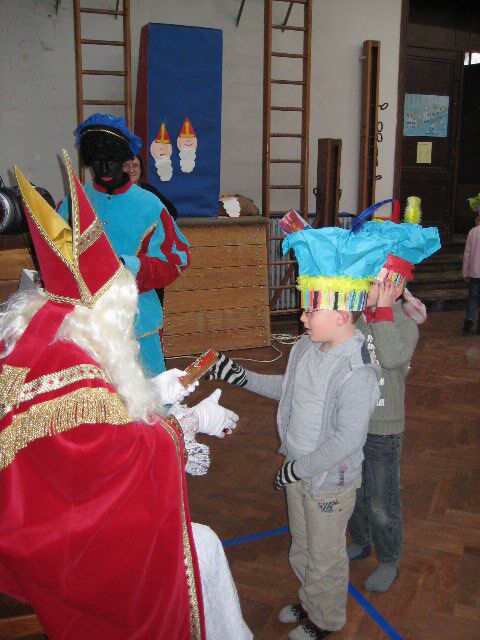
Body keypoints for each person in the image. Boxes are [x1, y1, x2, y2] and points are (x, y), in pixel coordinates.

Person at [0, 154, 252, 640]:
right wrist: (189, 423)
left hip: (39, 516)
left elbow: (92, 439)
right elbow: (126, 460)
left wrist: (155, 390)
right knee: (203, 549)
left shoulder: (46, 337)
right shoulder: (72, 372)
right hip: (60, 549)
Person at [208, 225, 389, 640]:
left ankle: (326, 619)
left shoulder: (358, 371)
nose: (302, 318)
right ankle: (310, 601)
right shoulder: (306, 346)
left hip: (329, 479)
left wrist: (298, 468)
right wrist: (241, 376)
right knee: (303, 544)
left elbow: (347, 440)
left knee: (325, 555)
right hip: (298, 466)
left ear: (340, 315)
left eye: (309, 311)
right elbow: (288, 390)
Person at [346, 200, 441, 593]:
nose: (363, 287)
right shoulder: (354, 320)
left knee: (382, 499)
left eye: (372, 283)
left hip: (385, 428)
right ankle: (360, 538)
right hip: (353, 423)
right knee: (355, 490)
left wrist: (384, 310)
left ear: (394, 286)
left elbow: (391, 357)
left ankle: (389, 557)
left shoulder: (404, 324)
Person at [57, 113, 188, 376]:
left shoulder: (150, 205)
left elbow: (176, 260)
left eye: (112, 161)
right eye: (97, 161)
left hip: (137, 322)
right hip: (85, 323)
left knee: (147, 393)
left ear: (126, 161)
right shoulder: (73, 202)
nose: (104, 167)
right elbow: (56, 252)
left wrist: (129, 266)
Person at [123, 154, 179, 219]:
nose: (131, 170)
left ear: (141, 169)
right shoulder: (114, 191)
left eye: (135, 166)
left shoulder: (148, 189)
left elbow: (172, 213)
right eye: (127, 166)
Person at [462, 196, 480, 335]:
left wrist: (465, 272)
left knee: (473, 298)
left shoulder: (473, 232)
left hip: (474, 272)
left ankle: (469, 319)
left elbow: (467, 254)